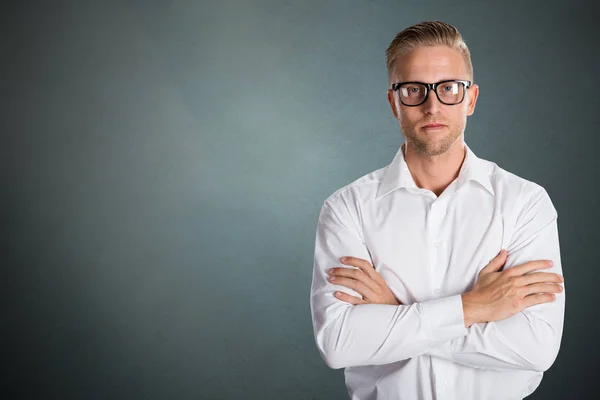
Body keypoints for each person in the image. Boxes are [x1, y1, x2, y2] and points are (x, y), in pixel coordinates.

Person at [309, 21, 565, 400]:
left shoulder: (525, 204)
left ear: (471, 99)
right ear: (394, 102)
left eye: (449, 88)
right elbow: (338, 341)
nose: (432, 106)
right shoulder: (348, 209)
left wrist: (397, 312)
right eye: (413, 89)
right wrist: (474, 308)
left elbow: (536, 346)